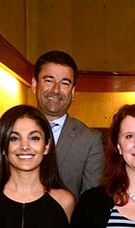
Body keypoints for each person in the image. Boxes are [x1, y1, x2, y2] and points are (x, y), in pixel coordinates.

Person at [31, 49, 104, 198]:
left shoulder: (90, 140)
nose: (56, 90)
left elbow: (90, 202)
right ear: (34, 84)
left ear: (72, 92)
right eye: (49, 80)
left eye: (65, 83)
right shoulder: (11, 130)